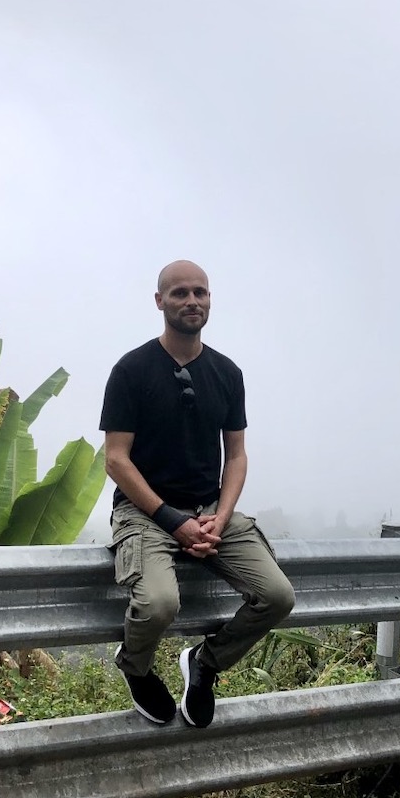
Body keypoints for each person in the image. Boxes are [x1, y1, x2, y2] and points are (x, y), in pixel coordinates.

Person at [99, 260, 296, 728]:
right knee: (159, 604)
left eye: (200, 292)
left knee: (277, 596)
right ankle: (136, 668)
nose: (192, 301)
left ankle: (205, 663)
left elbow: (237, 455)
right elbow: (116, 459)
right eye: (180, 293)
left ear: (209, 299)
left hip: (210, 511)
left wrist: (220, 517)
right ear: (159, 301)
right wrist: (173, 521)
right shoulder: (131, 370)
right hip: (146, 513)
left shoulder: (227, 372)